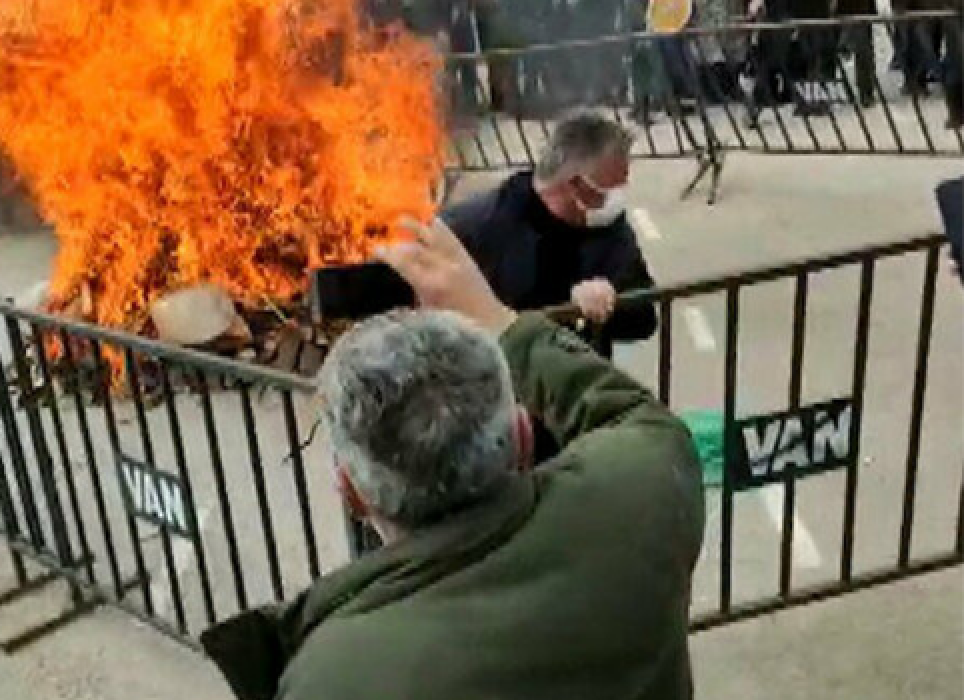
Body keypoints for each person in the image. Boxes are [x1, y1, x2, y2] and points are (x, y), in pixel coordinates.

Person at [202, 215, 705, 700]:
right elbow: (636, 417)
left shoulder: (332, 674)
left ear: (350, 491)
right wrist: (500, 320)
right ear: (525, 437)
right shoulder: (641, 505)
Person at [442, 112, 657, 358]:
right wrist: (568, 304)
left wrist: (609, 304)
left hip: (579, 382)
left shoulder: (609, 227)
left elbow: (645, 317)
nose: (619, 195)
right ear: (576, 184)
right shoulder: (479, 227)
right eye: (612, 185)